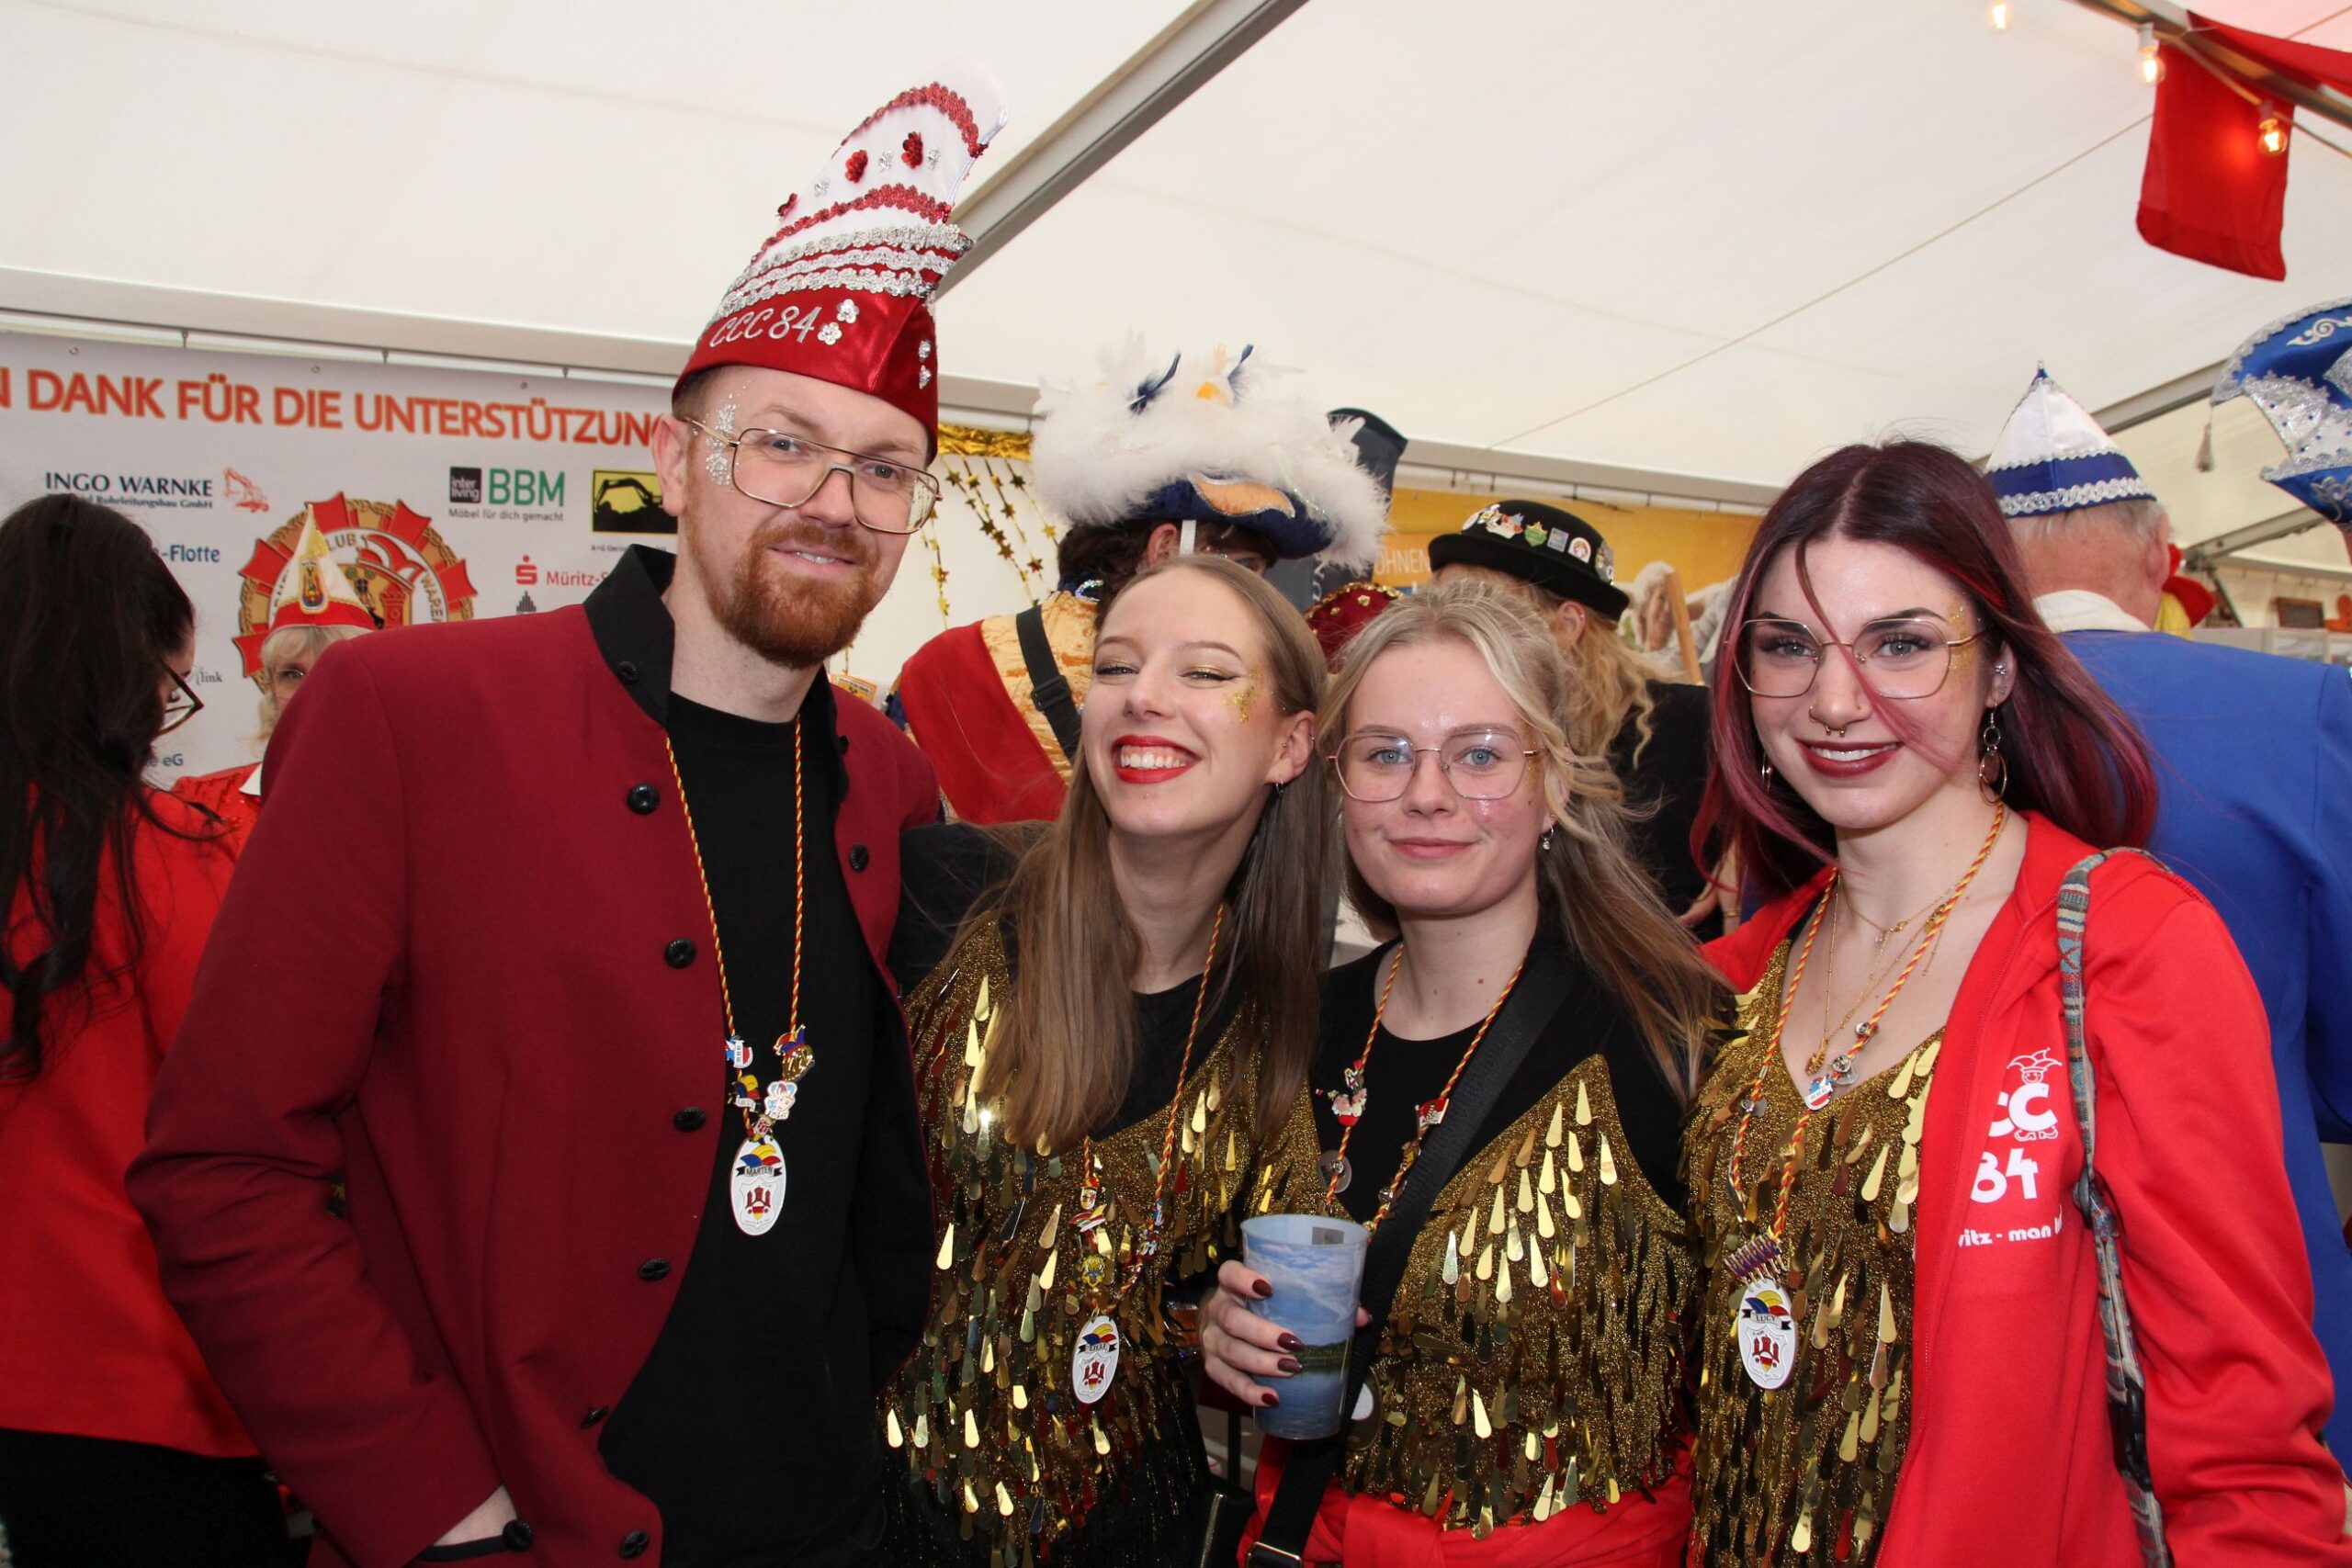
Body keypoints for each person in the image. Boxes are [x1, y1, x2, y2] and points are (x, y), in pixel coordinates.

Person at [128, 67, 1006, 1567]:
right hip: (530, 1527)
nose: (833, 500)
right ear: (671, 462)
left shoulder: (890, 777)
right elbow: (224, 1168)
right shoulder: (412, 714)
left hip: (832, 1524)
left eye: (883, 469)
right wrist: (441, 1515)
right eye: (780, 443)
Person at [1685, 440, 2349, 1564]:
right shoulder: (1729, 980)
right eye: (1788, 647)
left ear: (1998, 667)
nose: (1835, 701)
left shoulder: (2126, 948)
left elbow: (2243, 1438)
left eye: (1901, 644)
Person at [1199, 578, 1724, 1566]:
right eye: (1385, 753)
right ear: (1339, 783)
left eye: (1479, 754)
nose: (1426, 794)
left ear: (1553, 783)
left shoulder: (1673, 1040)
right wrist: (1221, 1329)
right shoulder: (1297, 1022)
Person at [878, 554, 1329, 1566]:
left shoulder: (1291, 1016)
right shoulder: (941, 898)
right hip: (870, 1528)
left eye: (1205, 672)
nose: (1144, 698)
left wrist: (1215, 1323)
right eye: (1117, 667)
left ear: (1290, 743)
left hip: (1140, 1535)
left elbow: (1229, 1300)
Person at [1987, 361, 2352, 1458]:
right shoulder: (2304, 709)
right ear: (2161, 558)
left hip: (1978, 1296)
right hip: (2252, 1282)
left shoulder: (1905, 722)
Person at [0, 495, 300, 1566]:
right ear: (128, 675)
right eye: (173, 689)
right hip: (138, 1387)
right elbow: (264, 1121)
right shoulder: (174, 863)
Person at [893, 343, 1394, 824]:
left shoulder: (945, 664)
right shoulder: (1238, 689)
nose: (1258, 594)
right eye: (1244, 567)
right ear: (1166, 549)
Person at [1428, 500, 1715, 920]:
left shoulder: (1693, 725)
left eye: (1483, 608)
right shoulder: (1449, 731)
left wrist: (1748, 850)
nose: (1451, 628)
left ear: (1566, 625)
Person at [171, 515, 376, 852]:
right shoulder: (199, 805)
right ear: (270, 686)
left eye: (331, 671)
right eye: (293, 674)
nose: (310, 692)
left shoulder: (406, 810)